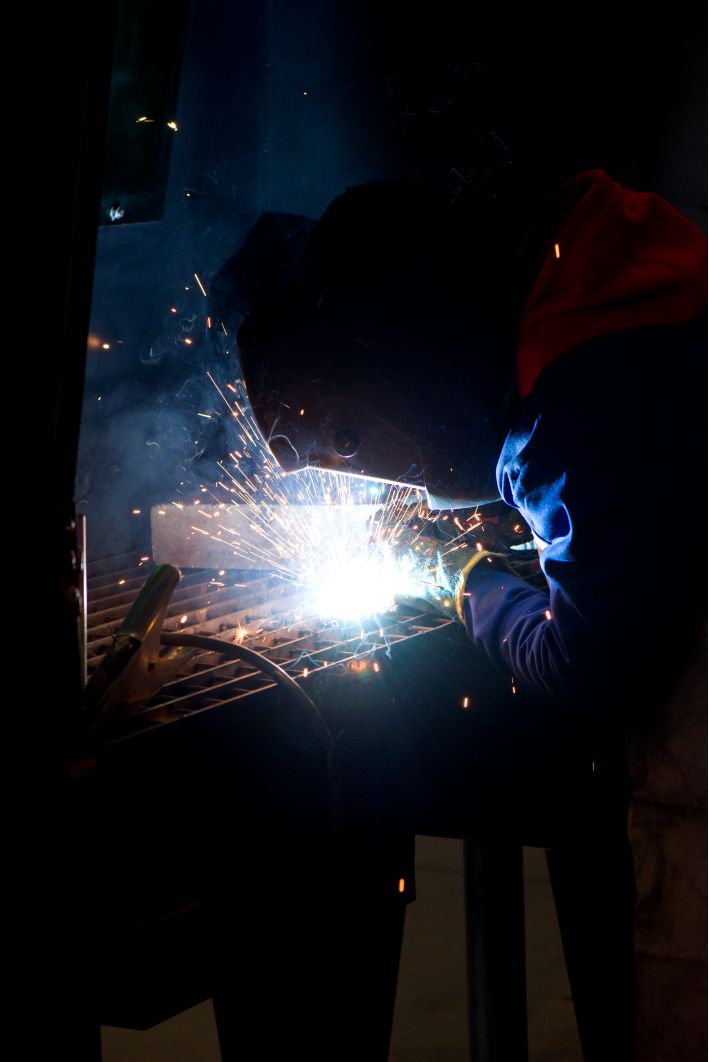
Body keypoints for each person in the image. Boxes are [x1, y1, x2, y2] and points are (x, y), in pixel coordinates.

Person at [236, 169, 707, 1060]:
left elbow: (587, 664)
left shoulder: (577, 404)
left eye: (349, 436)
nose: (364, 462)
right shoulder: (611, 289)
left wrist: (462, 578)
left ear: (400, 354)